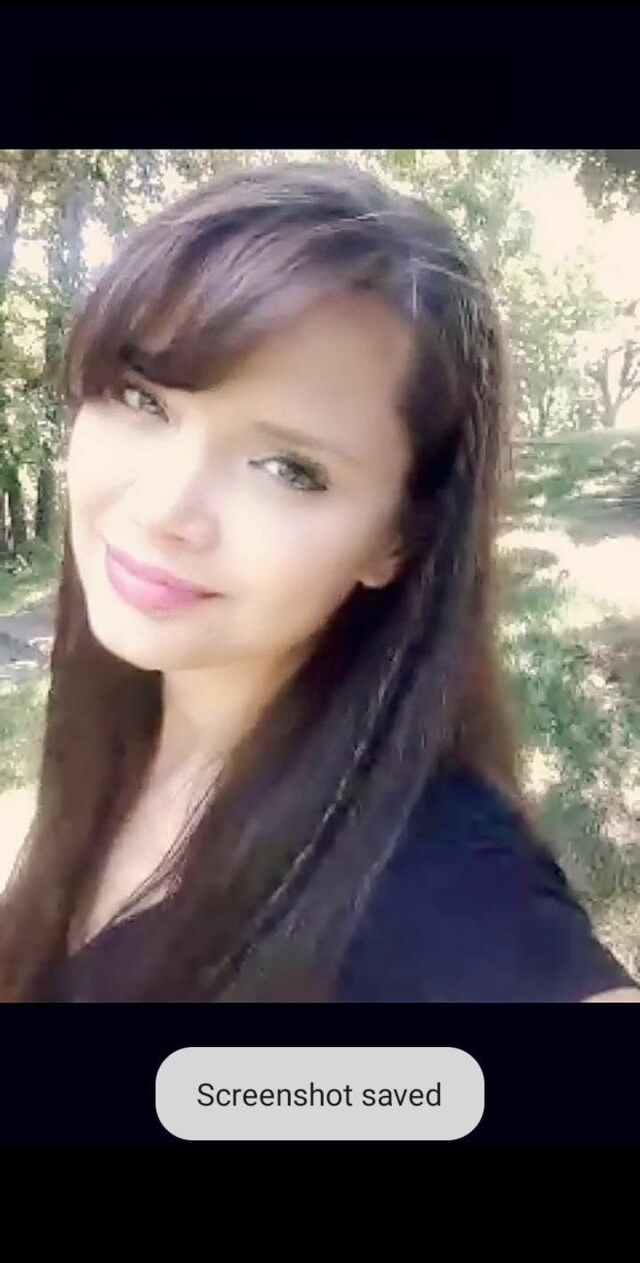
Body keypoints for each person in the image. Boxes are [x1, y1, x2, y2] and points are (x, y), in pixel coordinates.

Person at [0, 160, 637, 1004]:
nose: (163, 509)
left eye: (287, 469)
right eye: (144, 400)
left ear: (399, 539)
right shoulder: (121, 725)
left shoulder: (438, 892)